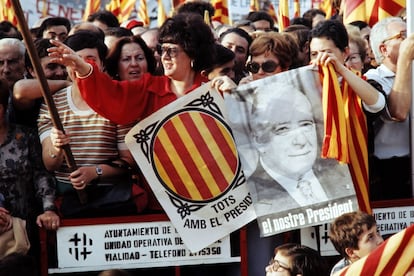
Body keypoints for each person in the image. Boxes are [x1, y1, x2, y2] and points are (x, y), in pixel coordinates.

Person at [47, 13, 233, 212]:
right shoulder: (148, 87)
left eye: (172, 50)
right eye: (162, 50)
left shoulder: (214, 90)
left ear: (193, 53)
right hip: (163, 200)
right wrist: (83, 67)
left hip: (213, 198)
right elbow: (112, 96)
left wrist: (234, 95)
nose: (165, 57)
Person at [38, 31, 144, 217]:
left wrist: (95, 172)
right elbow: (50, 163)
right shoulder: (52, 103)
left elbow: (128, 162)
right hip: (67, 200)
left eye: (90, 59)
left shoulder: (117, 99)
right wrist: (57, 146)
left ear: (102, 64)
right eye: (75, 59)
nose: (80, 65)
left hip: (113, 200)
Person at [249, 84, 351, 215]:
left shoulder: (341, 172)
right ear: (259, 141)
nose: (301, 141)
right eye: (283, 129)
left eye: (305, 124)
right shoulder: (251, 198)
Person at [0, 77, 59, 260]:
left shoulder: (25, 137)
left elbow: (41, 175)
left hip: (26, 229)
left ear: (3, 108)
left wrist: (48, 209)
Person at [364, 16, 414, 200]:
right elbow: (397, 112)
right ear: (384, 49)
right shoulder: (372, 79)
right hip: (390, 169)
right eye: (403, 36)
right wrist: (405, 61)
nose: (410, 40)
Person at [13, 38, 68, 128]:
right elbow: (20, 89)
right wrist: (66, 84)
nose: (60, 72)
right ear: (32, 71)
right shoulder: (30, 94)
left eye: (63, 66)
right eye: (52, 67)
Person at [329, 211, 384, 275]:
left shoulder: (386, 257)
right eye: (370, 237)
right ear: (351, 252)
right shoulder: (341, 272)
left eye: (377, 232)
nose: (380, 241)